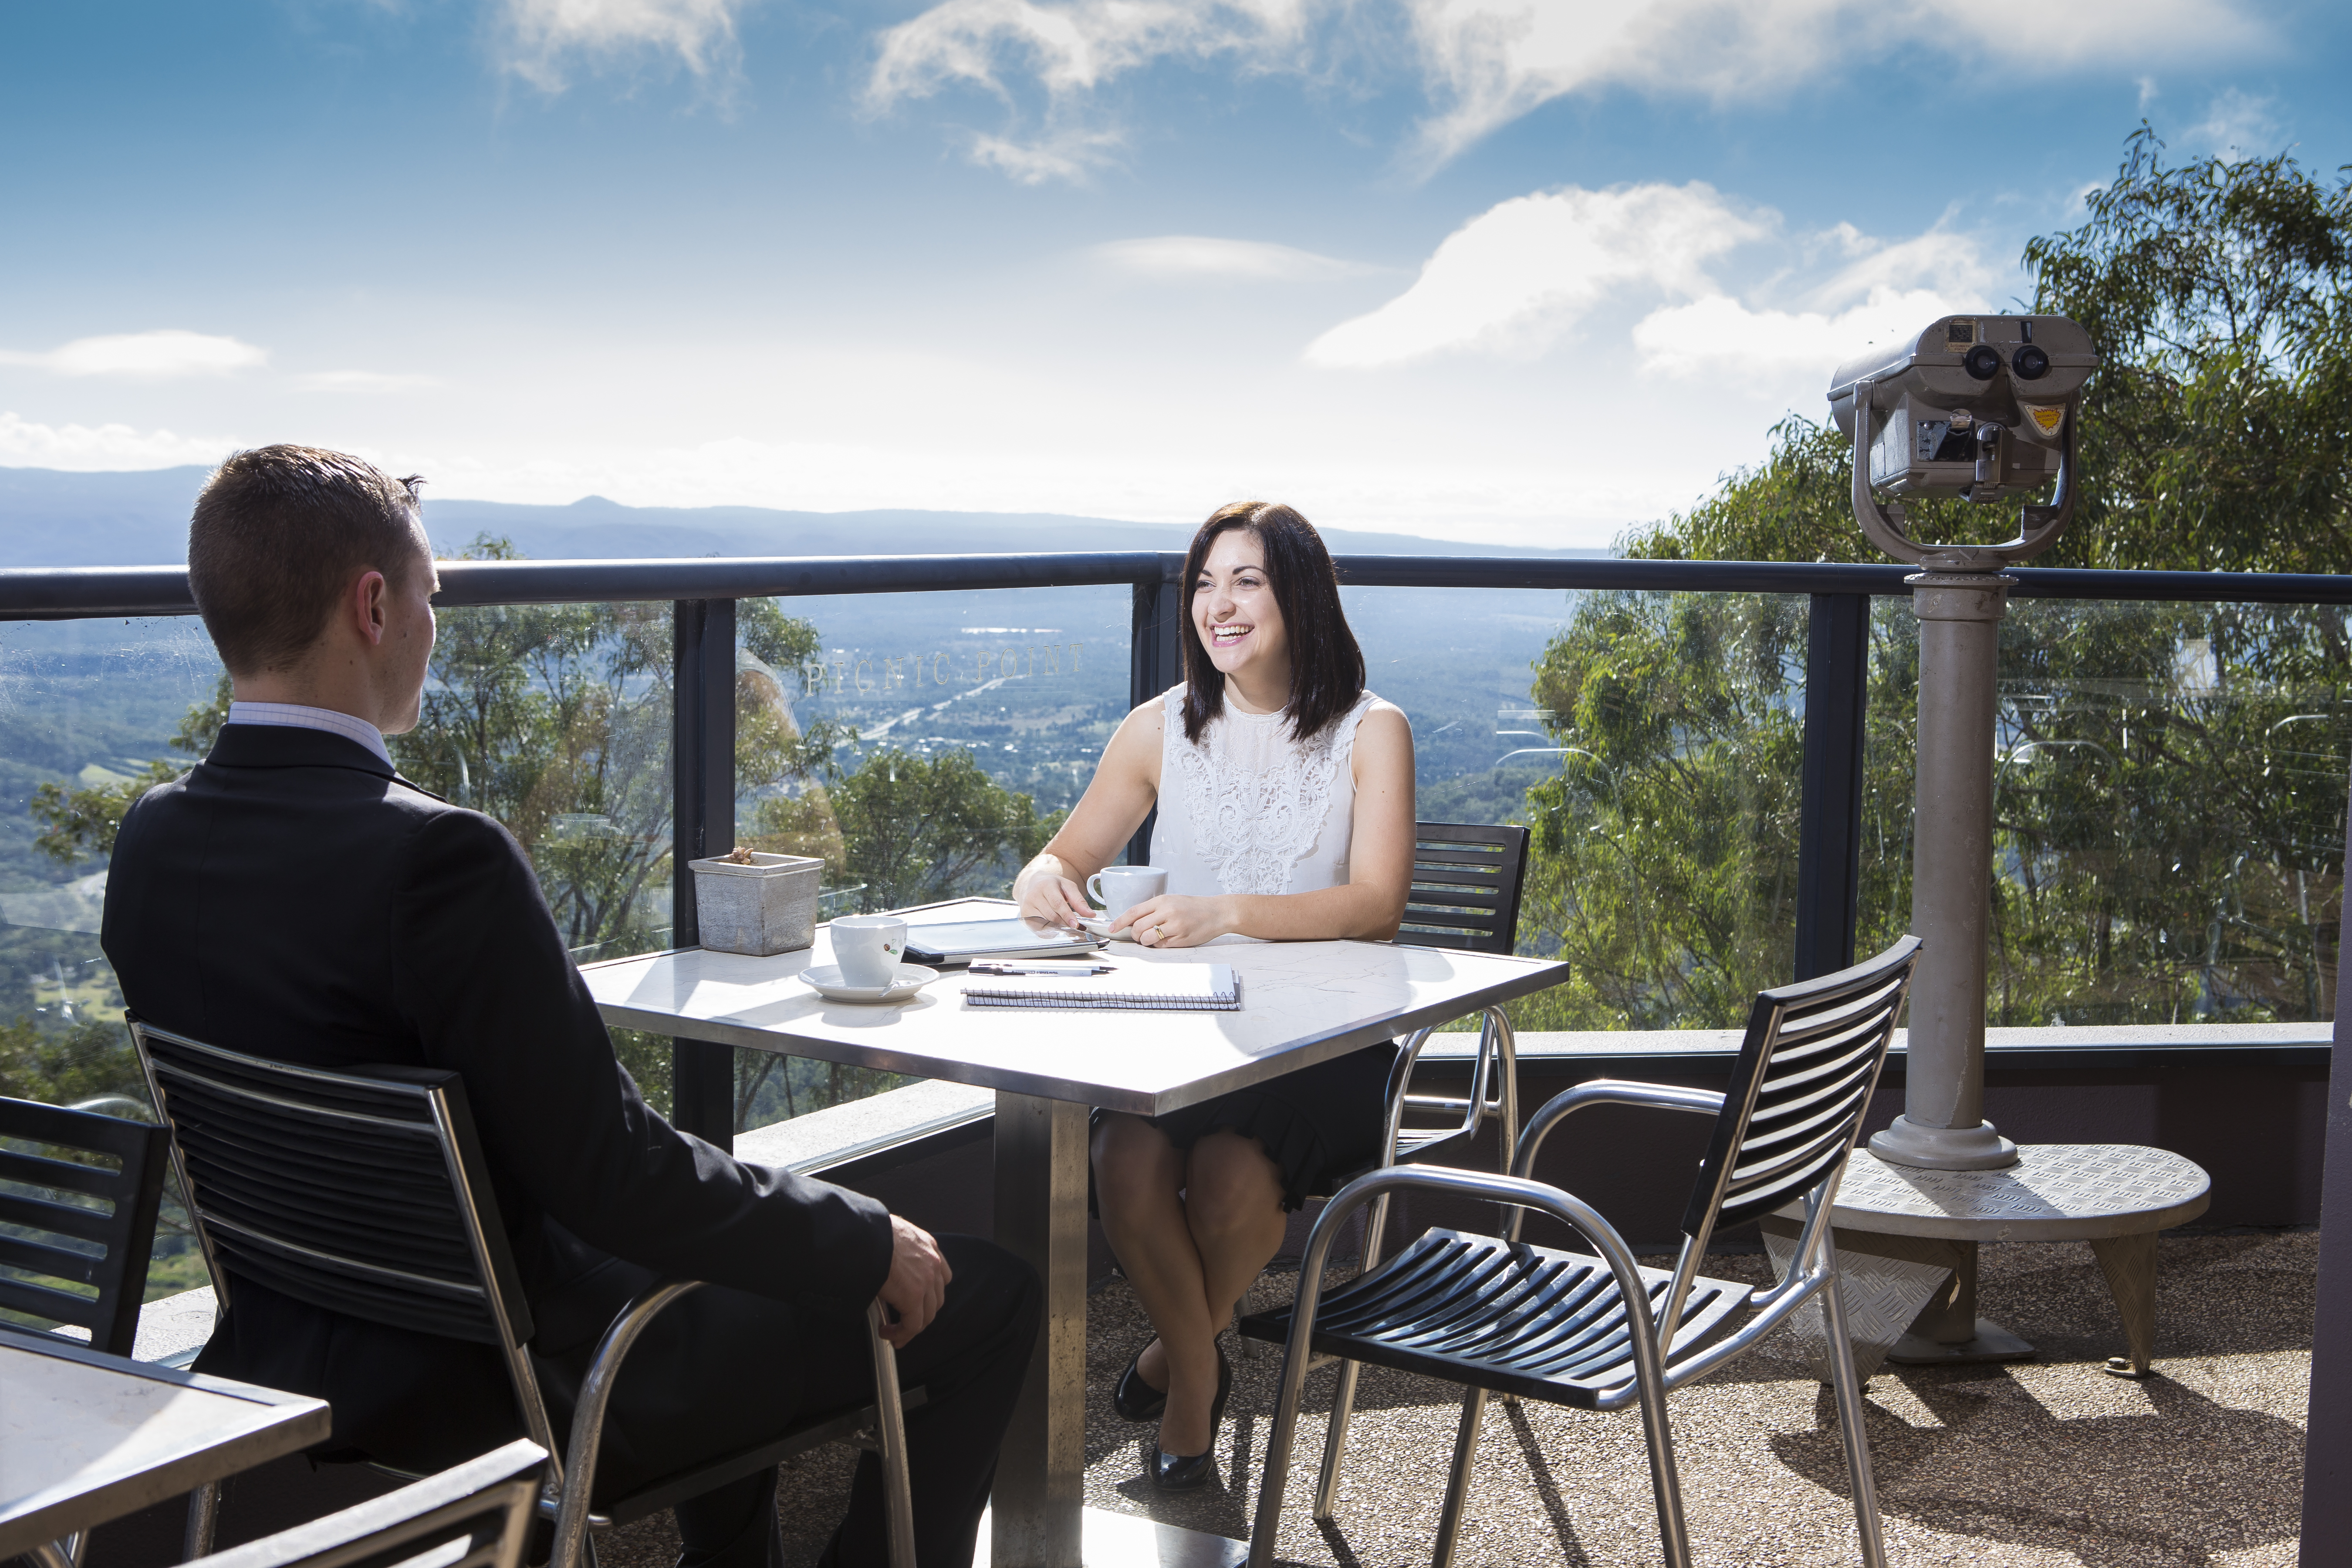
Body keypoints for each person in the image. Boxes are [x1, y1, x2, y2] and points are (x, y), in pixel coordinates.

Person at [101, 446, 1038, 1568]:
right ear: (372, 605)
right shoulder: (438, 859)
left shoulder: (150, 839)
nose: (433, 628)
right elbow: (614, 1178)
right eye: (432, 598)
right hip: (536, 1382)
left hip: (302, 1357)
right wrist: (863, 1238)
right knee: (982, 1293)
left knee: (757, 1250)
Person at [1011, 500, 1413, 1490]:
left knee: (1235, 1181)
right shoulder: (1159, 728)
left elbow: (1377, 907)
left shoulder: (1373, 731)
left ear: (1299, 596)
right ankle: (1200, 1362)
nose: (1218, 605)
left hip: (1322, 1045)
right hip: (1184, 1038)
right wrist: (1039, 882)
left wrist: (1221, 912)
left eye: (1246, 581)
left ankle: (1178, 1379)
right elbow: (1063, 854)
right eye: (1204, 583)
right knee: (1122, 1154)